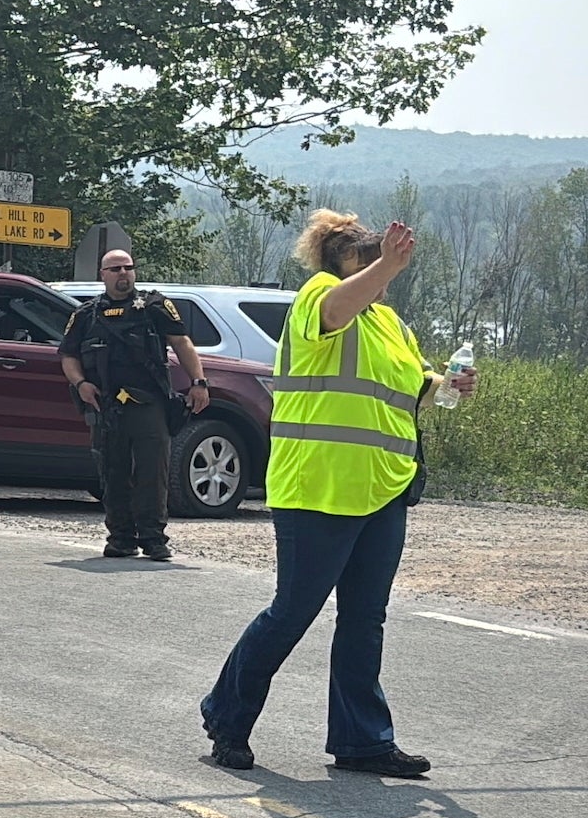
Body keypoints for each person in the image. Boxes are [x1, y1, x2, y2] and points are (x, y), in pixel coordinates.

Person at [198, 212, 471, 777]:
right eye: (366, 258)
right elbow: (335, 311)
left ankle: (362, 742)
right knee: (293, 612)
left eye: (382, 259)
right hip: (316, 487)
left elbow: (418, 388)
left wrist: (450, 386)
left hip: (381, 489)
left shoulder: (391, 323)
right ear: (338, 262)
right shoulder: (317, 296)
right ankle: (226, 715)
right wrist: (387, 265)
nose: (379, 267)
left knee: (364, 618)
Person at [58, 249, 208, 560]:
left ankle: (154, 539)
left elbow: (182, 343)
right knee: (113, 473)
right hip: (106, 405)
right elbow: (68, 355)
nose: (123, 273)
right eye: (115, 269)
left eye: (127, 268)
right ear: (103, 275)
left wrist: (198, 383)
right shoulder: (87, 314)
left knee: (153, 472)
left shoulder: (154, 306)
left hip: (148, 403)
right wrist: (81, 384)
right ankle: (120, 538)